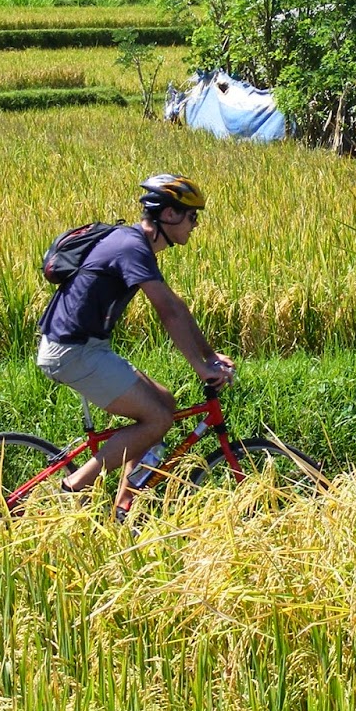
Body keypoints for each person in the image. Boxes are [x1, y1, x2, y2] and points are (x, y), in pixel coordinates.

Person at [36, 173, 233, 515]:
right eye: (192, 216)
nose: (195, 224)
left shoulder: (135, 246)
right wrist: (201, 367)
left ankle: (125, 506)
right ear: (168, 215)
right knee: (157, 420)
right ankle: (74, 486)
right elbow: (167, 312)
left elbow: (177, 307)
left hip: (86, 346)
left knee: (165, 403)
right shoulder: (131, 247)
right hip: (72, 351)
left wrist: (209, 354)